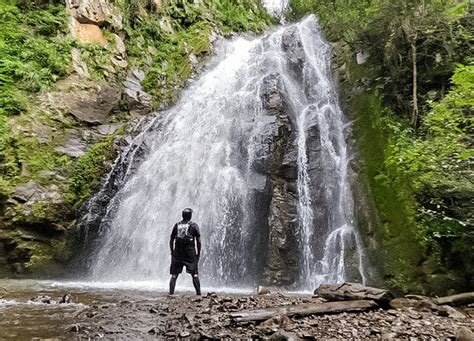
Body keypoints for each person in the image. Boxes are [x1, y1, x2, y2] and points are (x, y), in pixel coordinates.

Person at [169, 208, 202, 295]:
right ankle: (198, 294)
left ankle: (171, 293)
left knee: (174, 275)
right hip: (190, 252)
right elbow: (198, 241)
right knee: (194, 274)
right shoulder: (194, 225)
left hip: (178, 252)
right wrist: (198, 254)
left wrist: (172, 252)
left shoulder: (177, 225)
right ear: (190, 216)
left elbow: (171, 239)